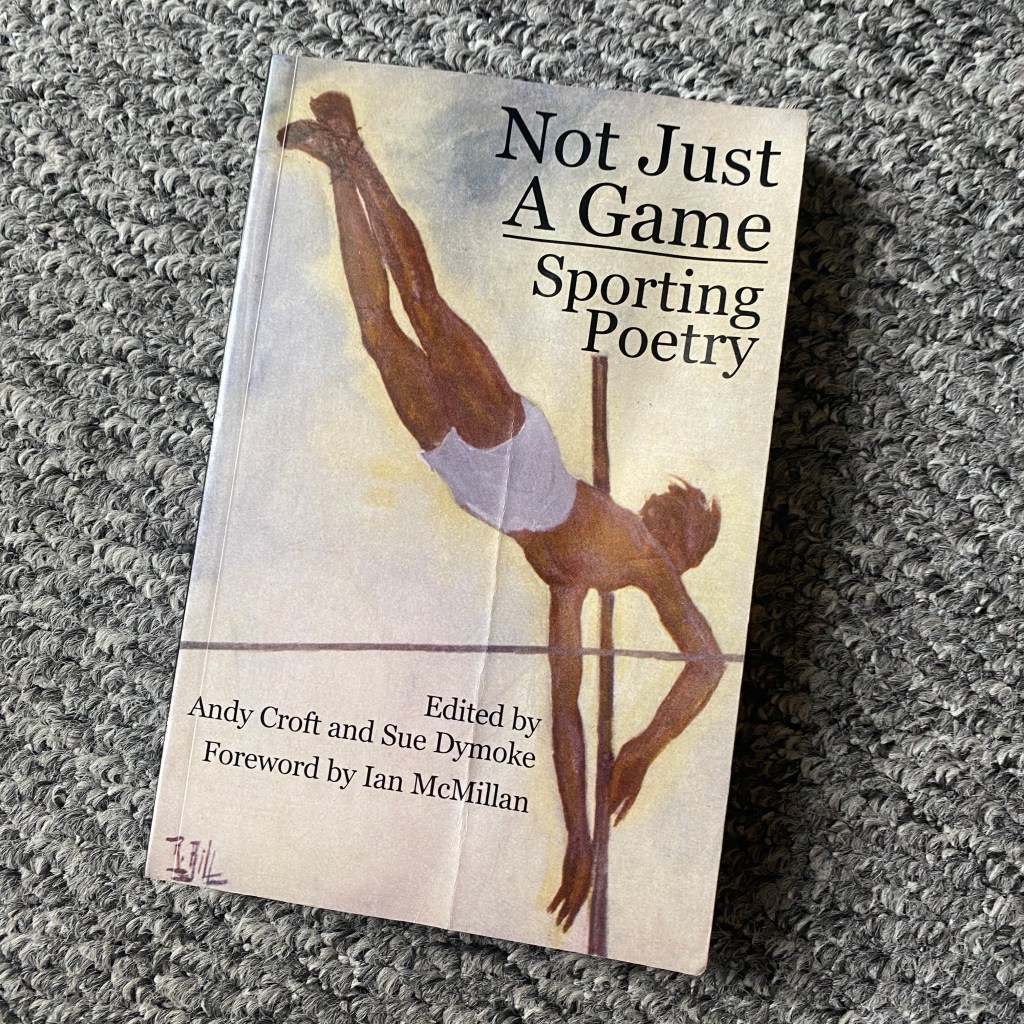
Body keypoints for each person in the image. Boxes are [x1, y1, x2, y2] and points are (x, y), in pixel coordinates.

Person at [279, 94, 725, 931]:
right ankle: (358, 153)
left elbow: (565, 712)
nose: (655, 530)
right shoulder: (637, 554)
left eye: (669, 532)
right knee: (423, 303)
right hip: (516, 454)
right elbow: (703, 661)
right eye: (664, 525)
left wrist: (582, 832)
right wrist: (641, 750)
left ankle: (339, 171)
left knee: (379, 332)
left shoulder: (574, 586)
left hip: (476, 486)